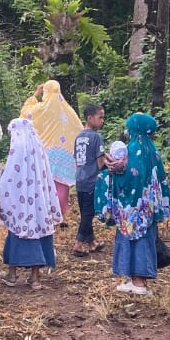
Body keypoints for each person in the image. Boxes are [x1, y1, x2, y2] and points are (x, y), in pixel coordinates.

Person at [95, 113, 170, 295]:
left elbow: (129, 177)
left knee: (133, 240)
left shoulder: (132, 150)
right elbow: (161, 179)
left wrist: (109, 172)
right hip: (149, 207)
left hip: (131, 208)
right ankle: (140, 280)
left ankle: (137, 283)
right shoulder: (153, 151)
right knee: (146, 239)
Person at [0, 118, 62, 288]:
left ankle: (12, 274)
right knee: (39, 233)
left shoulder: (17, 148)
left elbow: (9, 176)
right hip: (39, 202)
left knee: (17, 233)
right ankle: (35, 277)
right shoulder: (38, 147)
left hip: (20, 203)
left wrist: (1, 192)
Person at [21, 80, 81, 219]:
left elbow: (26, 114)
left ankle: (47, 214)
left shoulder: (42, 109)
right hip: (63, 153)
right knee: (61, 184)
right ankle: (61, 213)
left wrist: (35, 94)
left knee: (46, 184)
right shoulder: (68, 110)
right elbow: (79, 128)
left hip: (45, 152)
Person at [73, 104, 107, 255]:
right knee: (88, 213)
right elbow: (100, 162)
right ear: (90, 118)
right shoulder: (96, 137)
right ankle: (78, 244)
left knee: (85, 212)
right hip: (92, 180)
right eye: (100, 117)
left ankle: (92, 243)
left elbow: (77, 160)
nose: (102, 121)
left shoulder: (78, 137)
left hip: (80, 179)